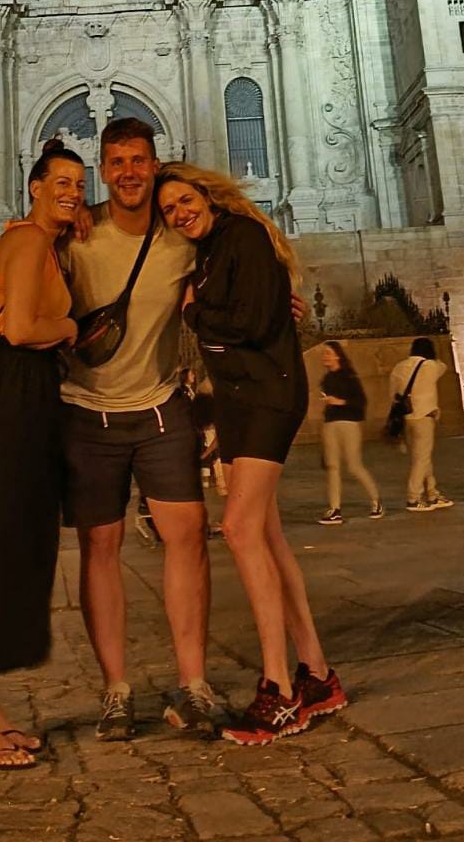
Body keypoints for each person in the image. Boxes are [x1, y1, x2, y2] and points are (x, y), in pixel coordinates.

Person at [0, 119, 214, 740]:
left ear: (156, 166)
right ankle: (116, 690)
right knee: (99, 549)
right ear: (106, 171)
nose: (128, 171)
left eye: (139, 160)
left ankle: (195, 683)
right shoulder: (73, 236)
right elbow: (16, 284)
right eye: (116, 162)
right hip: (84, 412)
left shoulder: (182, 238)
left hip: (158, 409)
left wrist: (276, 301)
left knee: (189, 536)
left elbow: (230, 266)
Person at [156, 164, 345, 745]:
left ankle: (279, 690)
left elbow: (254, 319)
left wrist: (193, 313)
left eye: (185, 200)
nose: (179, 212)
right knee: (266, 534)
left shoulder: (241, 235)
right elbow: (251, 317)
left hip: (267, 394)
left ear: (207, 195)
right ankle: (316, 675)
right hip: (239, 399)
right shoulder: (208, 251)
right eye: (169, 210)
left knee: (238, 530)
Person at [0, 139, 82, 771]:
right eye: (60, 181)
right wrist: (75, 328)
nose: (72, 192)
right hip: (6, 383)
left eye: (79, 185)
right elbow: (25, 329)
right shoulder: (28, 240)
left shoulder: (40, 245)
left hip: (19, 389)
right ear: (34, 186)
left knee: (12, 542)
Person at [317, 341, 383, 524]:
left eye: (328, 353)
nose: (325, 356)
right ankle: (335, 508)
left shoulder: (349, 377)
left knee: (354, 465)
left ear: (338, 355)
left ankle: (376, 500)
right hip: (330, 423)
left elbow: (360, 401)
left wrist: (341, 402)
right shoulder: (326, 379)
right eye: (324, 353)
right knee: (333, 467)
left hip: (349, 423)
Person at [388, 337, 453, 512]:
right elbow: (443, 366)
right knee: (422, 458)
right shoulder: (431, 366)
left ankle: (432, 493)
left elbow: (393, 393)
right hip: (424, 416)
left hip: (407, 417)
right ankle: (413, 497)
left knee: (422, 457)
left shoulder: (399, 367)